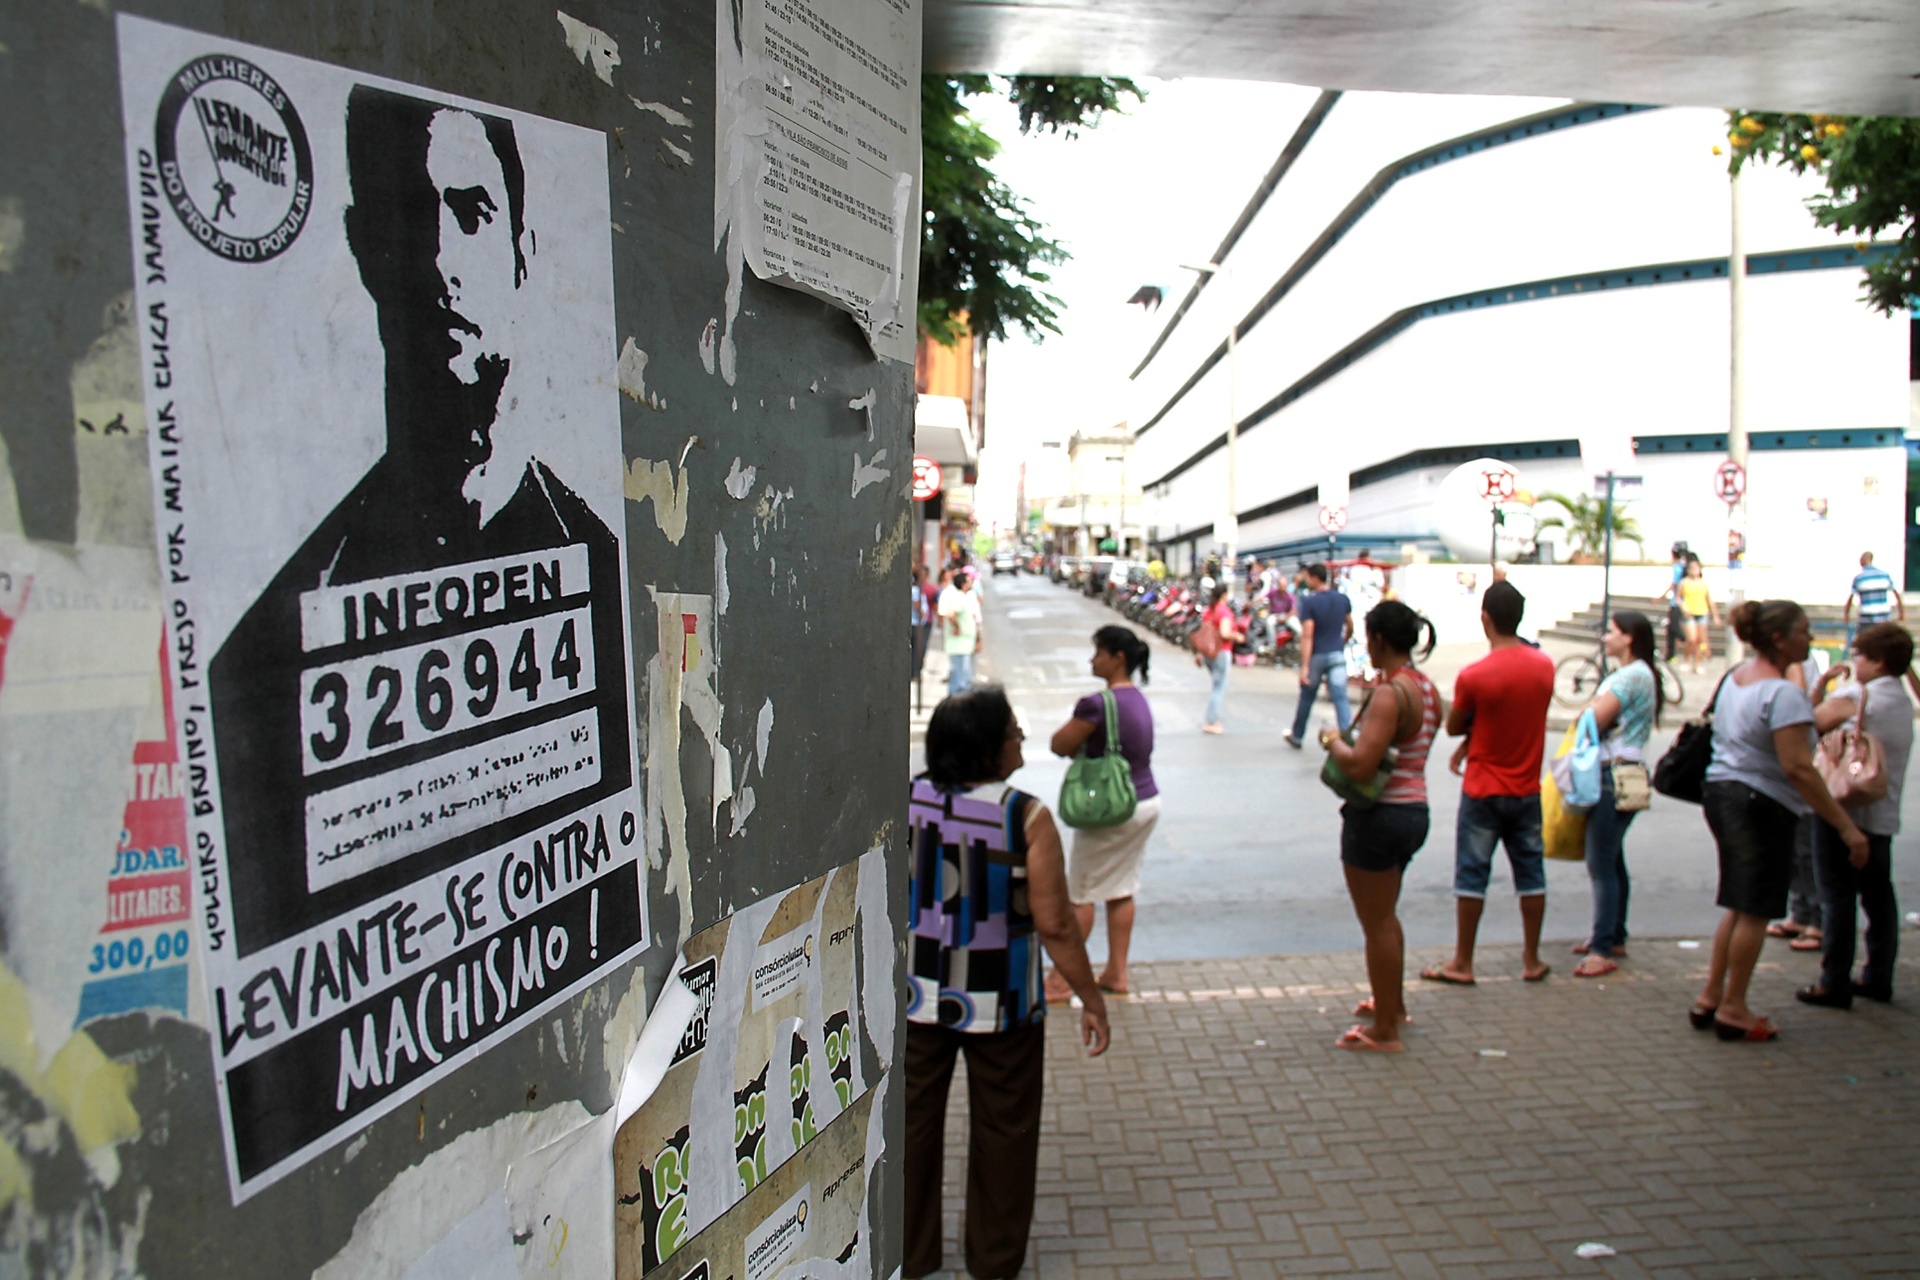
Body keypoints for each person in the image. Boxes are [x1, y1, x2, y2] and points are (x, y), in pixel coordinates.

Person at [207, 87, 631, 950]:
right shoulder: (273, 643)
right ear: (367, 249)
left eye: (472, 214)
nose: (441, 257)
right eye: (411, 215)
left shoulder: (609, 579)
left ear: (524, 251)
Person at [905, 686, 1110, 1279]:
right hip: (1004, 1007)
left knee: (913, 1126)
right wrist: (1090, 998)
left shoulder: (909, 798)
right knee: (1004, 1132)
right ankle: (993, 1261)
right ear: (990, 749)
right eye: (1013, 731)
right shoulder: (1025, 815)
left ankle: (912, 1255)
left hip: (917, 998)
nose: (1020, 738)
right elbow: (1056, 925)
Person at [1693, 601, 1868, 1041]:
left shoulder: (1737, 678)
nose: (1809, 640)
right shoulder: (1781, 691)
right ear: (1779, 638)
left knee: (1739, 902)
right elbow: (1798, 767)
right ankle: (1733, 1006)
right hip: (1761, 803)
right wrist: (1845, 827)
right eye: (1804, 632)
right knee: (1755, 909)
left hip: (1724, 792)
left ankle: (1712, 995)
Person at [1318, 601, 1440, 1052]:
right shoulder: (1426, 689)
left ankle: (1385, 1031)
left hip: (1380, 816)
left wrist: (1332, 740)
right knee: (1387, 916)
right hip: (1414, 812)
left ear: (1380, 640)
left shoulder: (1391, 693)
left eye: (1367, 638)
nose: (1364, 645)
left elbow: (1362, 763)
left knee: (1377, 924)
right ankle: (1392, 1004)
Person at [1425, 581, 1556, 985]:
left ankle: (1463, 961)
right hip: (1527, 788)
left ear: (1485, 618)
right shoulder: (1545, 667)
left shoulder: (1474, 676)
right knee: (1531, 875)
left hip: (1483, 788)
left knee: (1472, 876)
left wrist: (1468, 736)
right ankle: (1531, 958)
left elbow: (1452, 725)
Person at [1797, 622, 1914, 1008]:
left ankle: (1834, 981)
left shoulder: (1857, 695)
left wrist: (1821, 683)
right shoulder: (1900, 698)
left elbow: (1809, 721)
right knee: (1879, 896)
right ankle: (1879, 974)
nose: (1854, 660)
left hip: (1842, 810)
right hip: (1881, 813)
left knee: (1837, 896)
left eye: (1860, 654)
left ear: (1878, 661)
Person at [1045, 625, 1159, 1000]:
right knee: (1121, 889)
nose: (1093, 660)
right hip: (1145, 800)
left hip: (1112, 808)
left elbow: (1060, 743)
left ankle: (1062, 982)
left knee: (1081, 892)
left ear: (1117, 658)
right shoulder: (1138, 699)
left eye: (1098, 653)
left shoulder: (1097, 704)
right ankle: (1116, 972)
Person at [1571, 611, 1663, 977]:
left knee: (1601, 861)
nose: (1605, 639)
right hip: (1626, 770)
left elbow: (1593, 719)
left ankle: (1602, 946)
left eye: (1611, 632)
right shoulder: (1639, 674)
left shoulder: (1630, 676)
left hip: (1614, 773)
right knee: (1612, 858)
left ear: (1629, 638)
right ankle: (1613, 934)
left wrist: (1587, 711)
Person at [1284, 563, 1353, 749]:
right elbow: (1350, 625)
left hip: (1317, 655)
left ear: (1315, 578)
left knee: (1307, 696)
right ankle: (1348, 736)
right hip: (1337, 653)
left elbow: (1307, 635)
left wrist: (1304, 666)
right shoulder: (1342, 599)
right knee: (1340, 697)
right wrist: (1341, 642)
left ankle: (1297, 735)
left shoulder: (1310, 602)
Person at [1198, 583, 1239, 734]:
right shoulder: (1224, 612)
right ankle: (1210, 721)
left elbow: (1203, 634)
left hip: (1209, 653)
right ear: (1224, 595)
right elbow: (1225, 633)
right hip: (1222, 651)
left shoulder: (1209, 611)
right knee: (1219, 687)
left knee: (1216, 685)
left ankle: (1212, 719)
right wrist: (1238, 636)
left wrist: (1199, 653)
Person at [938, 569, 984, 695]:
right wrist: (957, 627)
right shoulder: (957, 597)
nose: (971, 584)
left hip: (965, 643)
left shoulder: (966, 596)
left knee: (964, 675)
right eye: (969, 581)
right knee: (960, 677)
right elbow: (951, 614)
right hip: (959, 645)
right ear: (963, 584)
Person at [1845, 551, 1903, 641]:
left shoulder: (1859, 578)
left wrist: (1846, 614)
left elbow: (1851, 598)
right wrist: (1901, 612)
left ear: (1863, 560)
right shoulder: (1884, 575)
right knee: (1883, 643)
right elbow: (1896, 594)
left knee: (1865, 643)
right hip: (1883, 617)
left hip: (1866, 618)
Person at [1679, 555, 1718, 673]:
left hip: (1702, 612)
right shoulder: (1684, 582)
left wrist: (1715, 615)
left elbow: (1709, 600)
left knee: (1700, 640)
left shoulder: (1703, 584)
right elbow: (1678, 598)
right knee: (1692, 638)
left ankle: (1696, 664)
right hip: (1689, 613)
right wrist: (1683, 607)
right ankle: (1686, 660)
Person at [1662, 542, 1689, 661]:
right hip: (1681, 601)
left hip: (1677, 602)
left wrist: (1661, 597)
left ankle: (1685, 638)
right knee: (1670, 629)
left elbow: (1674, 584)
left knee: (1673, 627)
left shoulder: (1678, 568)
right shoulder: (1684, 566)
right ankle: (1670, 655)